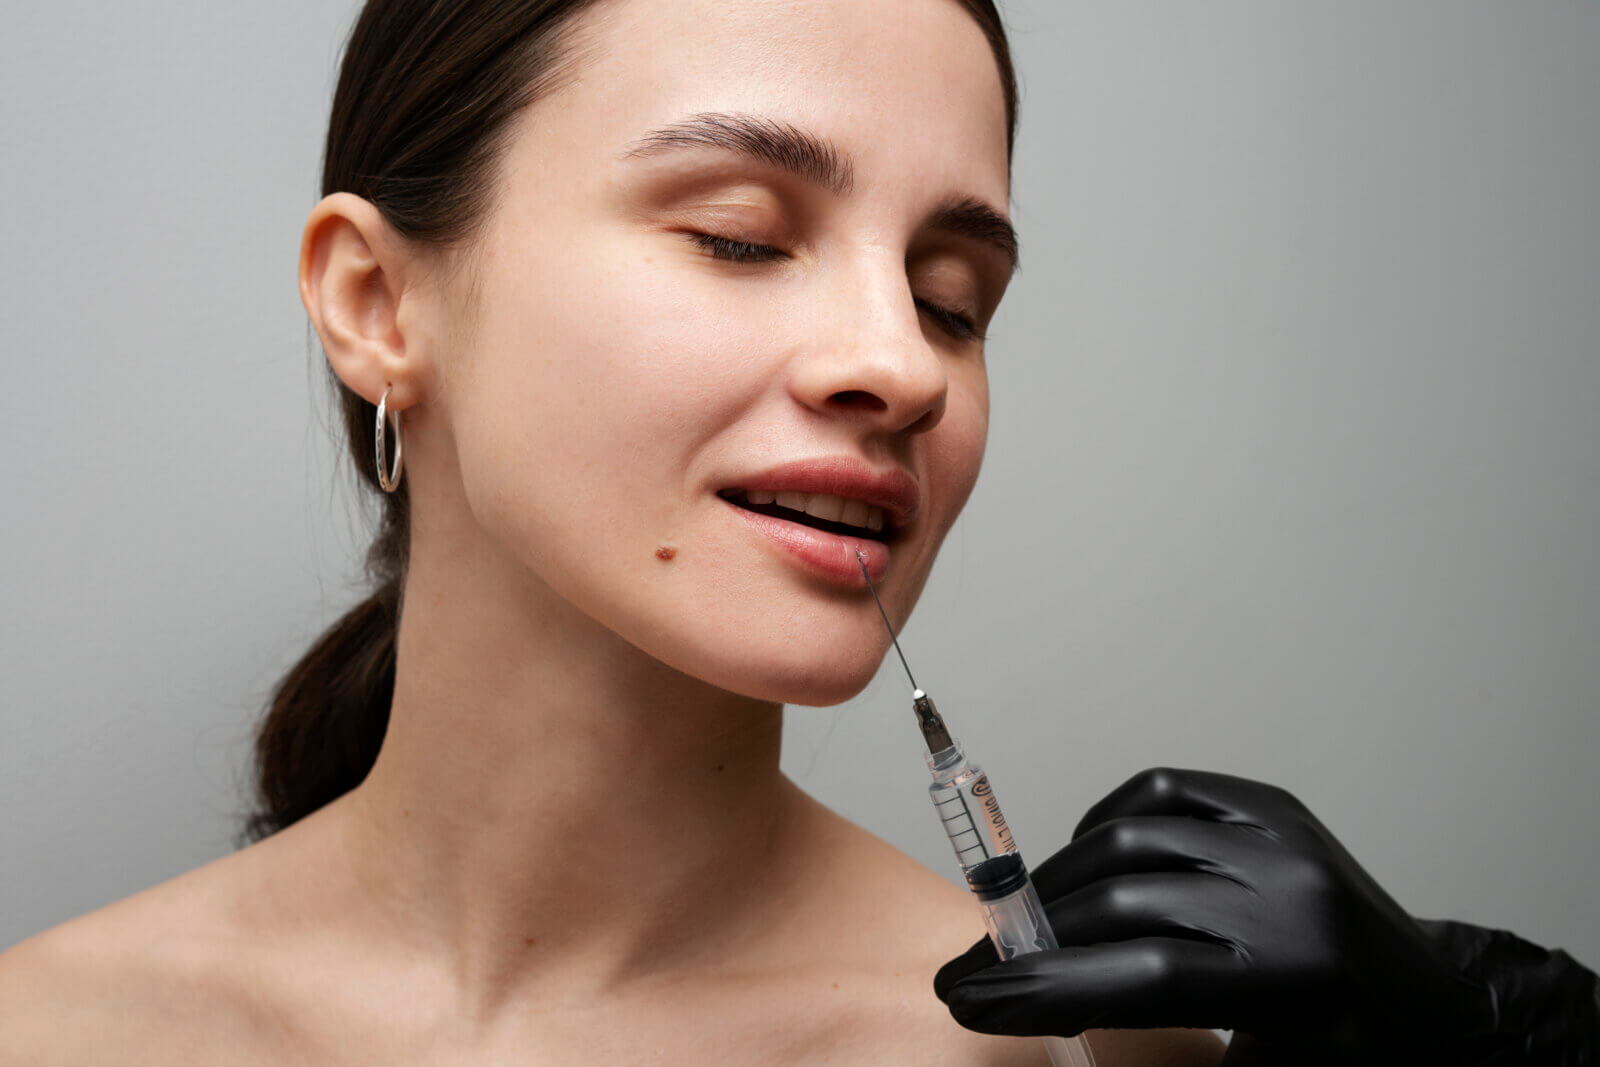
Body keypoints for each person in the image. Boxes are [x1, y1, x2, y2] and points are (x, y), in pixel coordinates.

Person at [0, 0, 1225, 1062]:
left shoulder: (1074, 1055)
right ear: (376, 303)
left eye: (949, 301)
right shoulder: (44, 1033)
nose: (904, 365)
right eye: (739, 234)